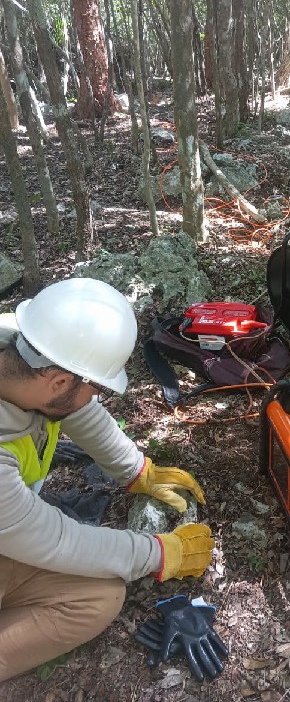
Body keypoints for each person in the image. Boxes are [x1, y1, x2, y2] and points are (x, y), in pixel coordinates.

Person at [0, 277, 215, 681]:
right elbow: (51, 539)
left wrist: (136, 471)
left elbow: (75, 408)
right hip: (12, 533)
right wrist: (160, 554)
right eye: (95, 387)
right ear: (60, 382)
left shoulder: (21, 345)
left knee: (98, 595)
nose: (96, 397)